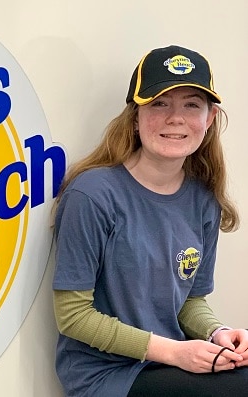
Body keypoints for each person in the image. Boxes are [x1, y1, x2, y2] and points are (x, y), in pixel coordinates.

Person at [51, 45, 248, 397]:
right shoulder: (93, 194)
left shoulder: (203, 200)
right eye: (159, 103)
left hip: (170, 361)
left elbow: (190, 302)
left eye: (191, 105)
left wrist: (218, 333)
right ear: (136, 116)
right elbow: (73, 315)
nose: (176, 118)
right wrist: (174, 351)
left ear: (210, 118)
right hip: (106, 375)